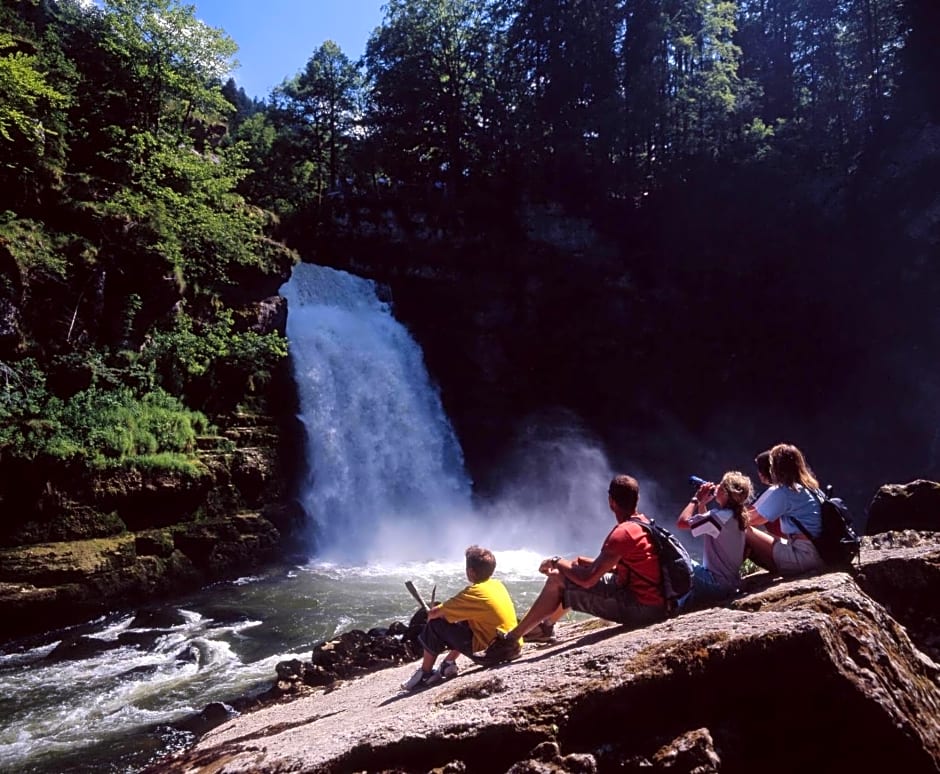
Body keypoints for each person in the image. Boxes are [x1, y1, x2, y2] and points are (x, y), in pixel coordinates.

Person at [483, 474, 667, 663]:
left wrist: (556, 561)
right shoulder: (642, 523)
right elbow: (625, 567)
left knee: (558, 578)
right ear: (636, 499)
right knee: (574, 568)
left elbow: (587, 580)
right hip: (655, 602)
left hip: (641, 609)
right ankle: (545, 626)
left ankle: (511, 642)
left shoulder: (622, 533)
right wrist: (578, 564)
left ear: (611, 501)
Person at [401, 545, 518, 691]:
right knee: (466, 618)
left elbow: (434, 614)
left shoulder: (474, 592)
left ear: (470, 572)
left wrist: (434, 616)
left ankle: (425, 673)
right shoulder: (498, 585)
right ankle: (448, 663)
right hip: (514, 647)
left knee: (436, 624)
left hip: (493, 655)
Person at [744, 443, 825, 576]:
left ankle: (723, 579)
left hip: (805, 556)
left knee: (744, 529)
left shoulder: (785, 492)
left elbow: (750, 520)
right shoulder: (812, 488)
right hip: (820, 552)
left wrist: (729, 505)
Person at [676, 471, 753, 609]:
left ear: (726, 493)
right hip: (730, 583)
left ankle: (675, 604)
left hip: (716, 584)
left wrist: (696, 499)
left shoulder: (716, 518)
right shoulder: (735, 515)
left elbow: (682, 523)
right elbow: (705, 525)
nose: (717, 486)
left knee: (677, 560)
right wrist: (702, 504)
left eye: (721, 485)